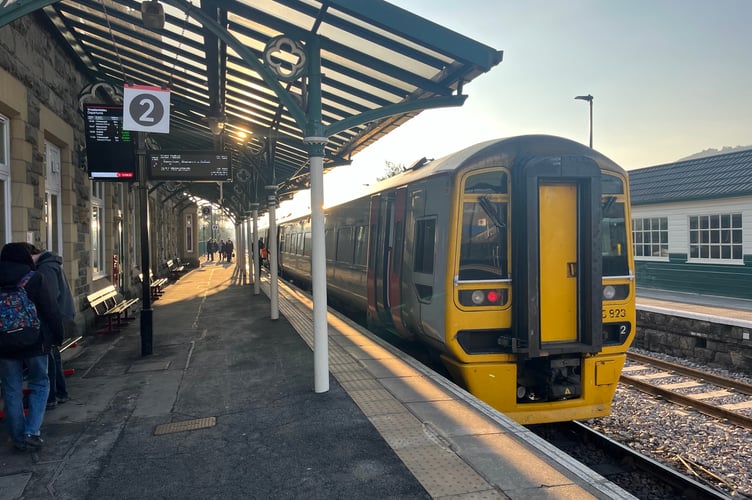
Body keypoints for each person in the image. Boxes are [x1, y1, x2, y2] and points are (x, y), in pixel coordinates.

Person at [0, 242, 64, 452]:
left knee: (11, 390)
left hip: (5, 346)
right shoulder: (34, 278)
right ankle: (32, 432)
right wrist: (57, 336)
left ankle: (18, 438)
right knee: (40, 384)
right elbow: (51, 310)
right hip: (36, 342)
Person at [28, 245, 75, 410]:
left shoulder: (46, 268)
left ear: (34, 255)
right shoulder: (51, 264)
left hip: (54, 317)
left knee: (49, 356)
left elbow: (51, 295)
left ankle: (52, 396)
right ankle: (60, 393)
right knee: (54, 355)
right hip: (60, 314)